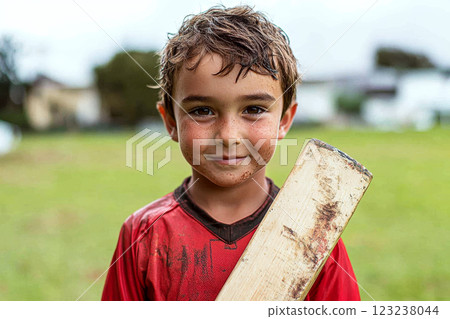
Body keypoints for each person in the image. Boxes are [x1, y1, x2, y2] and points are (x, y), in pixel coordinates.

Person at [102, 5, 360, 301]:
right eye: (202, 110)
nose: (228, 135)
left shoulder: (315, 233)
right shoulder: (143, 235)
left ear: (284, 120)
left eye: (253, 109)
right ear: (171, 122)